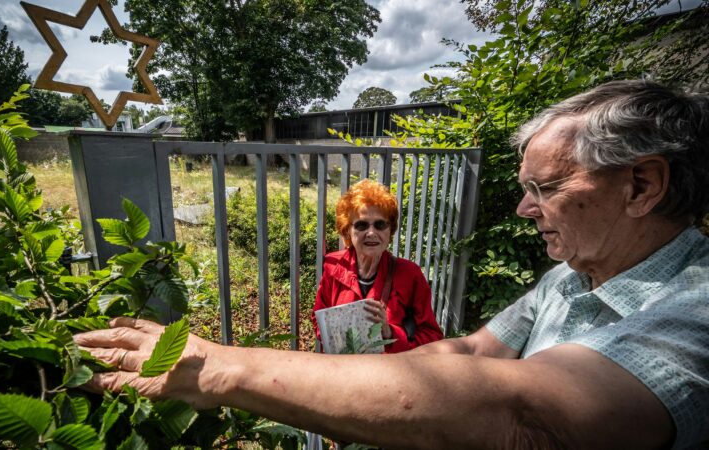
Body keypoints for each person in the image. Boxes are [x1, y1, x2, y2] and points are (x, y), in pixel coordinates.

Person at [74, 80, 709, 449]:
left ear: (640, 187)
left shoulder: (697, 310)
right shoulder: (569, 277)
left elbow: (521, 409)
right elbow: (463, 357)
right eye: (361, 226)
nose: (523, 208)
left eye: (544, 188)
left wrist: (224, 367)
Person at [312, 179, 444, 353]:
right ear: (347, 231)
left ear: (390, 231)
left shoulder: (410, 274)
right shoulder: (333, 266)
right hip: (343, 371)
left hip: (387, 374)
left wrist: (390, 333)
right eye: (361, 225)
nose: (372, 232)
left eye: (380, 224)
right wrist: (335, 337)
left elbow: (432, 337)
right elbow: (318, 319)